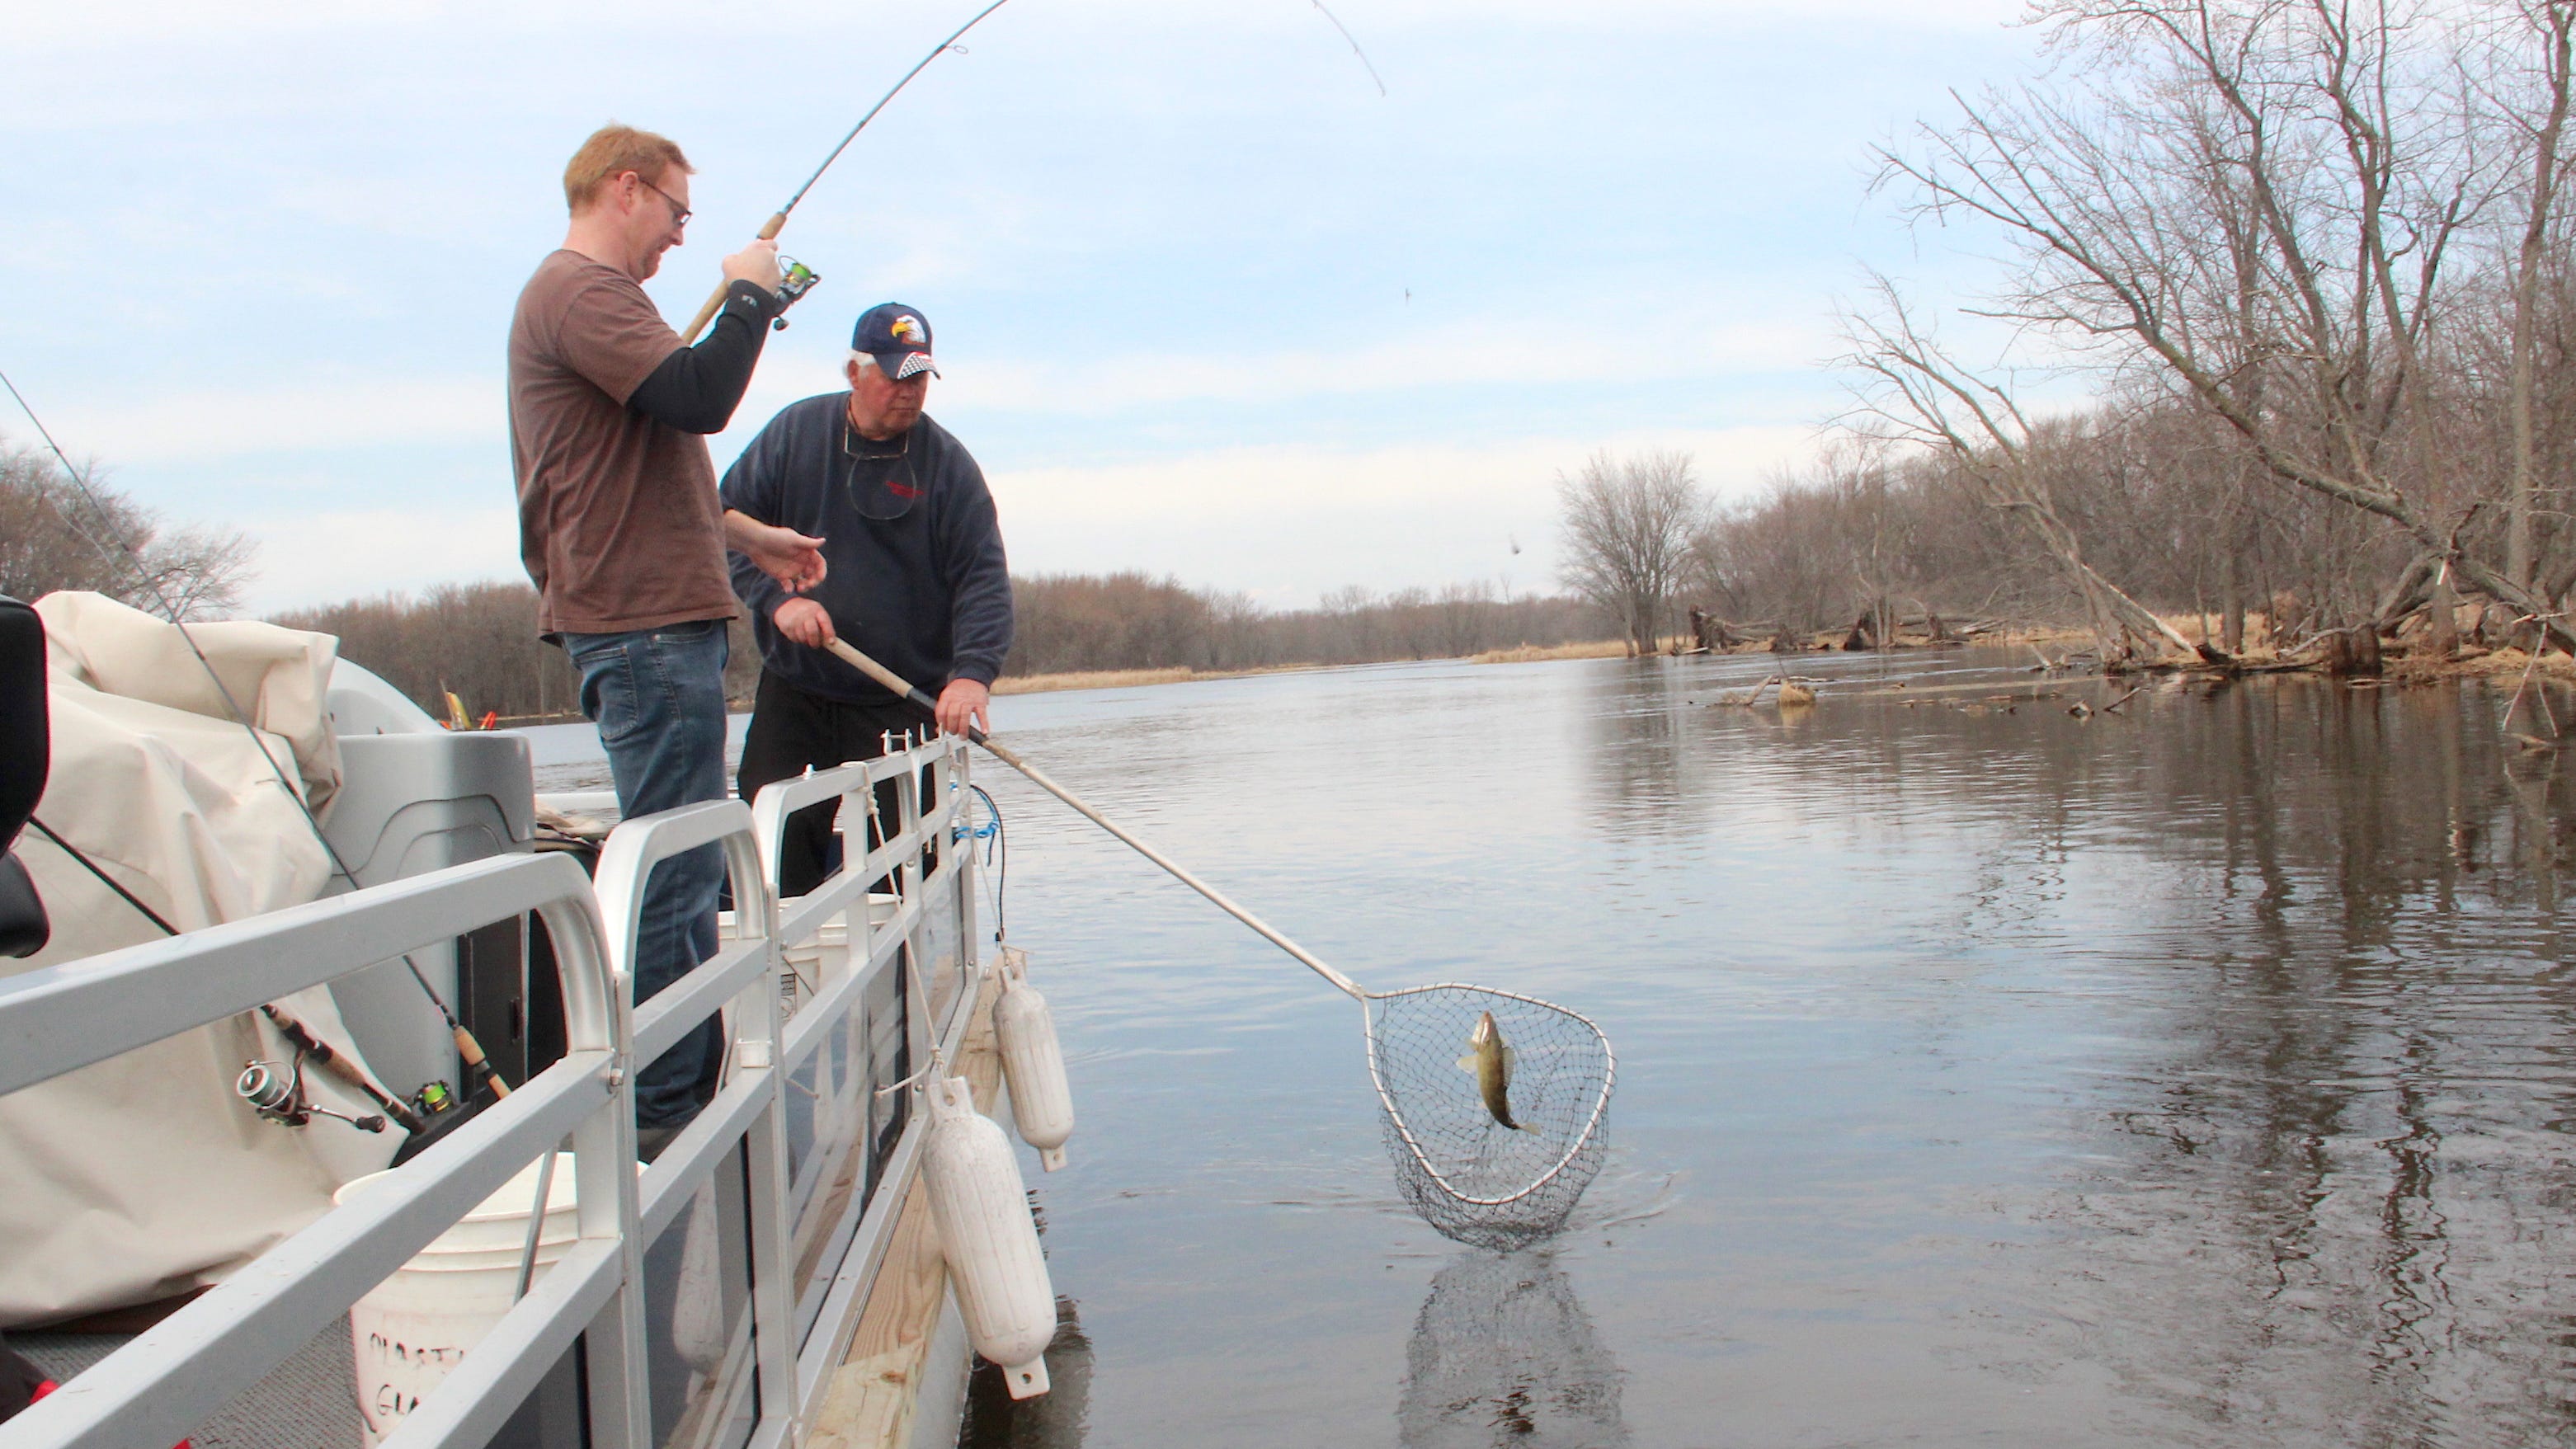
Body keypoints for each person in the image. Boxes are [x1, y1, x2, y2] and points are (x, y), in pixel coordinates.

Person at [509, 123, 827, 1156]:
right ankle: (660, 1121)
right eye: (679, 214)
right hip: (639, 625)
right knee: (674, 869)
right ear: (626, 188)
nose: (683, 238)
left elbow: (645, 450)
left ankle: (677, 1098)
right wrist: (748, 293)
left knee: (686, 860)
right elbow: (700, 396)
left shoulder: (604, 306)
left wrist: (751, 535)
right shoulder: (581, 292)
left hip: (658, 618)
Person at [721, 303, 1013, 897]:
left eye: (919, 378)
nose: (909, 392)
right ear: (854, 374)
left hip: (900, 700)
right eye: (894, 375)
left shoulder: (948, 466)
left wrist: (971, 676)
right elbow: (720, 525)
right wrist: (776, 603)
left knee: (907, 867)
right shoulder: (793, 435)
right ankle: (784, 980)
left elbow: (982, 579)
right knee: (771, 844)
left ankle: (901, 982)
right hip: (797, 689)